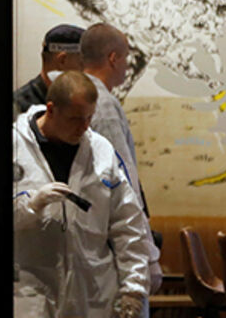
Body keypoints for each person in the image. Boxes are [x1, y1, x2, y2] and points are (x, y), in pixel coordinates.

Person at [0, 71, 152, 318]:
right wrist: (29, 207)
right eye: (75, 119)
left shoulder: (102, 151)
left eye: (89, 118)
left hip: (93, 293)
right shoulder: (8, 149)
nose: (84, 127)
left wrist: (133, 289)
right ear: (51, 110)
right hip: (31, 293)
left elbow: (129, 225)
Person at [80, 23, 163, 298]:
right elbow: (123, 183)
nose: (128, 66)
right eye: (126, 58)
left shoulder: (77, 96)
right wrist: (148, 254)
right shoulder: (102, 105)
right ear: (113, 59)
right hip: (113, 246)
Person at [14, 23, 85, 113]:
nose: (87, 71)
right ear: (62, 60)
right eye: (82, 63)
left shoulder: (75, 102)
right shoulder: (17, 108)